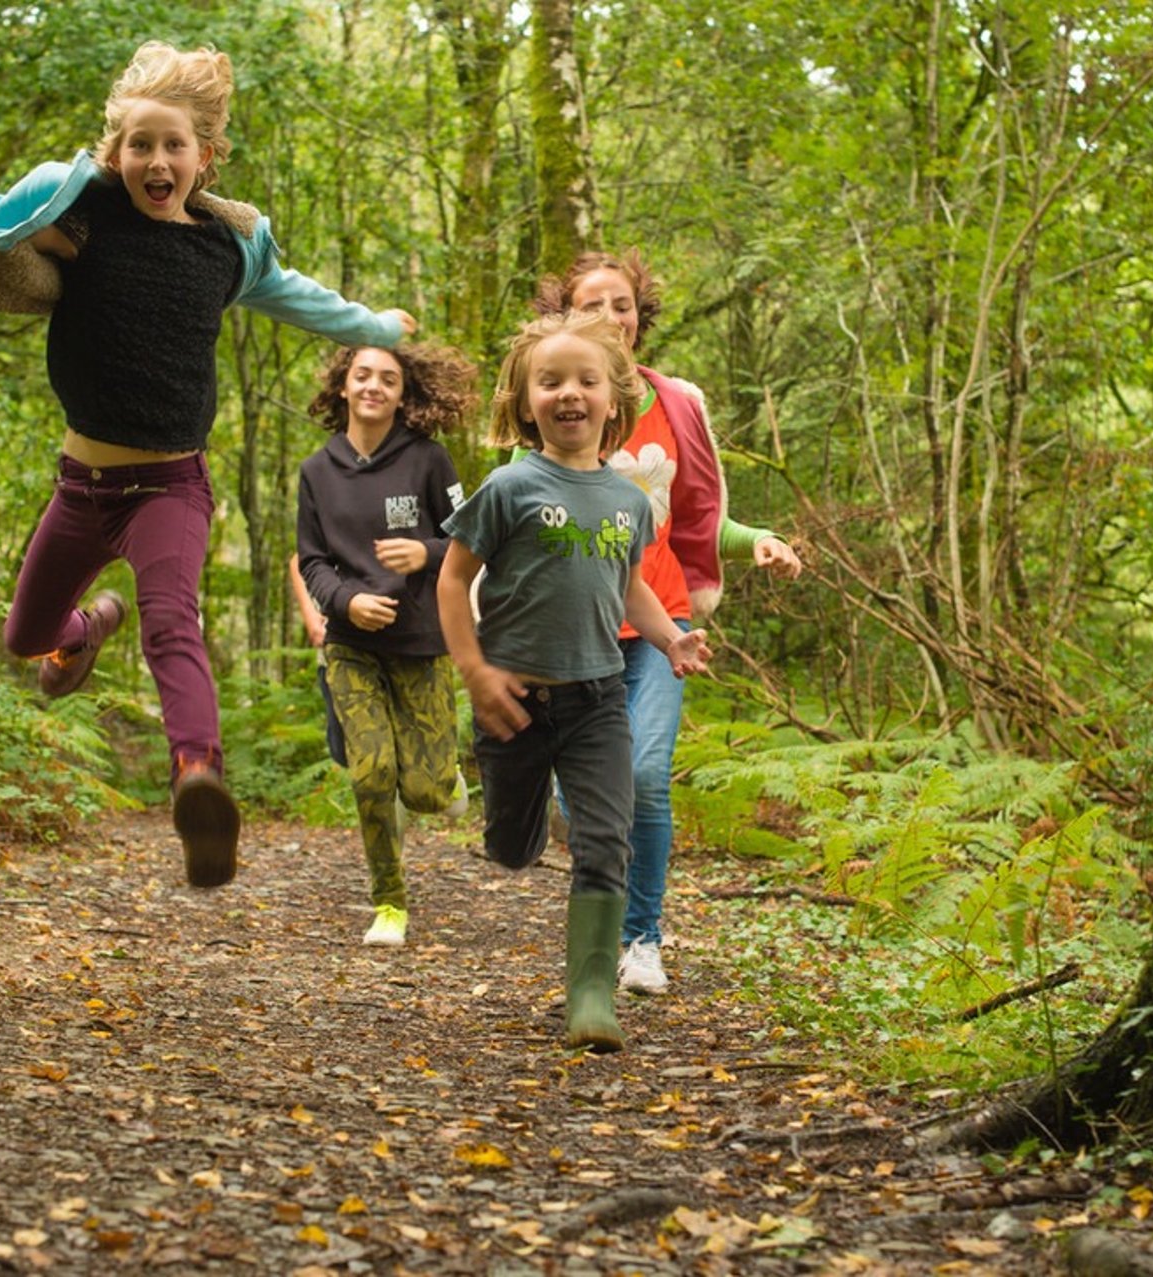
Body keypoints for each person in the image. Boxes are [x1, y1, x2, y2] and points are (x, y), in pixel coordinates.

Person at [0, 42, 415, 890]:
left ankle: (197, 779)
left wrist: (379, 328)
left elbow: (315, 302)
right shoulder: (77, 212)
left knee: (175, 620)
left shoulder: (230, 248)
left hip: (170, 484)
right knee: (26, 637)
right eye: (139, 144)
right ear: (114, 151)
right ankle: (87, 628)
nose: (155, 161)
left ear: (206, 154)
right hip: (82, 486)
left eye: (174, 145)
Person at [438, 311, 712, 1053]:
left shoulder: (628, 500)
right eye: (550, 381)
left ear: (612, 400)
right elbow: (453, 576)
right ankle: (516, 829)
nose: (569, 393)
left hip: (598, 698)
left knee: (606, 838)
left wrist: (670, 637)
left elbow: (627, 588)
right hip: (515, 703)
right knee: (512, 848)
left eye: (586, 380)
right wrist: (475, 671)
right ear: (525, 401)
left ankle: (591, 992)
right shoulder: (507, 486)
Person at [532, 249, 803, 995]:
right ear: (567, 319)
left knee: (646, 774)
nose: (611, 319)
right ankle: (603, 906)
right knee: (580, 797)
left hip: (660, 621)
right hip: (573, 626)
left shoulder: (675, 403)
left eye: (622, 304)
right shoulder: (556, 397)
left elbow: (697, 518)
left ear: (639, 315)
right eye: (593, 305)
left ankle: (641, 937)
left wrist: (758, 543)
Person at [296, 343, 476, 946]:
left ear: (404, 394)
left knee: (424, 791)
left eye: (389, 379)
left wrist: (425, 550)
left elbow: (470, 539)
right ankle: (389, 905)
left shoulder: (429, 461)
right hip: (350, 645)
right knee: (371, 773)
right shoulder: (316, 471)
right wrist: (345, 602)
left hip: (421, 640)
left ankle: (445, 777)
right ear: (343, 386)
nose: (374, 386)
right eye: (363, 375)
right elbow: (312, 560)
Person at [287, 553, 347, 769]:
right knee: (345, 750)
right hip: (333, 653)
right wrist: (310, 613)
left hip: (399, 645)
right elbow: (298, 557)